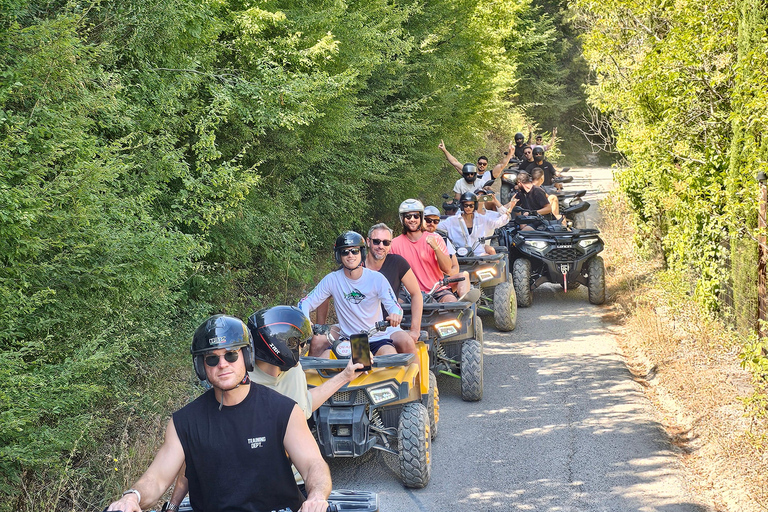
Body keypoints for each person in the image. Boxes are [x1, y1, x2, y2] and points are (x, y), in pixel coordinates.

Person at [106, 315, 331, 512]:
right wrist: (132, 497)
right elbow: (157, 478)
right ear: (202, 366)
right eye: (212, 359)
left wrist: (317, 496)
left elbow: (313, 465)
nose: (222, 364)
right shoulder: (184, 422)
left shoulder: (284, 411)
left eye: (231, 355)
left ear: (247, 356)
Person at [165, 308, 362, 511]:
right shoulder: (236, 385)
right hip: (252, 490)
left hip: (296, 482)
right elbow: (198, 445)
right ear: (282, 346)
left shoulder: (293, 371)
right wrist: (173, 504)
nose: (302, 348)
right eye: (298, 343)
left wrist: (345, 376)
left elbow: (304, 406)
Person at [300, 231, 404, 358]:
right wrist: (306, 321)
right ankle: (307, 370)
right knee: (322, 362)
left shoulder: (377, 278)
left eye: (355, 251)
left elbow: (394, 306)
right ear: (339, 255)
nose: (350, 255)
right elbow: (304, 302)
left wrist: (395, 314)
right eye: (345, 252)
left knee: (390, 356)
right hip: (347, 340)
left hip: (376, 338)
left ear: (362, 253)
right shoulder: (332, 279)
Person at [390, 199, 469, 301]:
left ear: (421, 217)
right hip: (407, 293)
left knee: (452, 303)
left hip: (436, 290)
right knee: (394, 307)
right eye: (408, 217)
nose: (412, 219)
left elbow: (447, 269)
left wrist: (436, 247)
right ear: (402, 218)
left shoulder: (436, 238)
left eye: (416, 216)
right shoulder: (394, 244)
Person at [363, 223, 422, 353]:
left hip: (388, 326)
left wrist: (415, 329)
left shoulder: (397, 263)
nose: (381, 246)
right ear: (368, 241)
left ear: (390, 245)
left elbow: (416, 293)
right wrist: (321, 325)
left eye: (386, 242)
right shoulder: (356, 265)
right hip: (359, 327)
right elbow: (328, 289)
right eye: (376, 241)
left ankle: (416, 368)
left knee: (407, 342)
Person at [438, 192, 513, 257]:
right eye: (466, 205)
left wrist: (508, 211)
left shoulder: (482, 219)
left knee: (494, 264)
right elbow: (436, 227)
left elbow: (499, 222)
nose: (468, 208)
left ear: (475, 206)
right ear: (462, 206)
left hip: (479, 255)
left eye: (471, 205)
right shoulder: (452, 220)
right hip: (458, 256)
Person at [439, 139, 515, 197]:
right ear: (477, 164)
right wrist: (444, 150)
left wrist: (510, 153)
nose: (482, 165)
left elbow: (502, 165)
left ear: (487, 165)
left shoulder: (489, 174)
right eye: (480, 163)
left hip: (482, 200)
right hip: (466, 199)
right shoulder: (469, 171)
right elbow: (455, 162)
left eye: (484, 164)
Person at [423, 205, 470, 296]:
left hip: (441, 281)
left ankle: (463, 301)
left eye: (436, 221)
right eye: (428, 220)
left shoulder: (443, 239)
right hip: (421, 282)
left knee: (464, 275)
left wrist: (446, 273)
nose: (431, 223)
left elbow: (455, 266)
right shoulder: (414, 239)